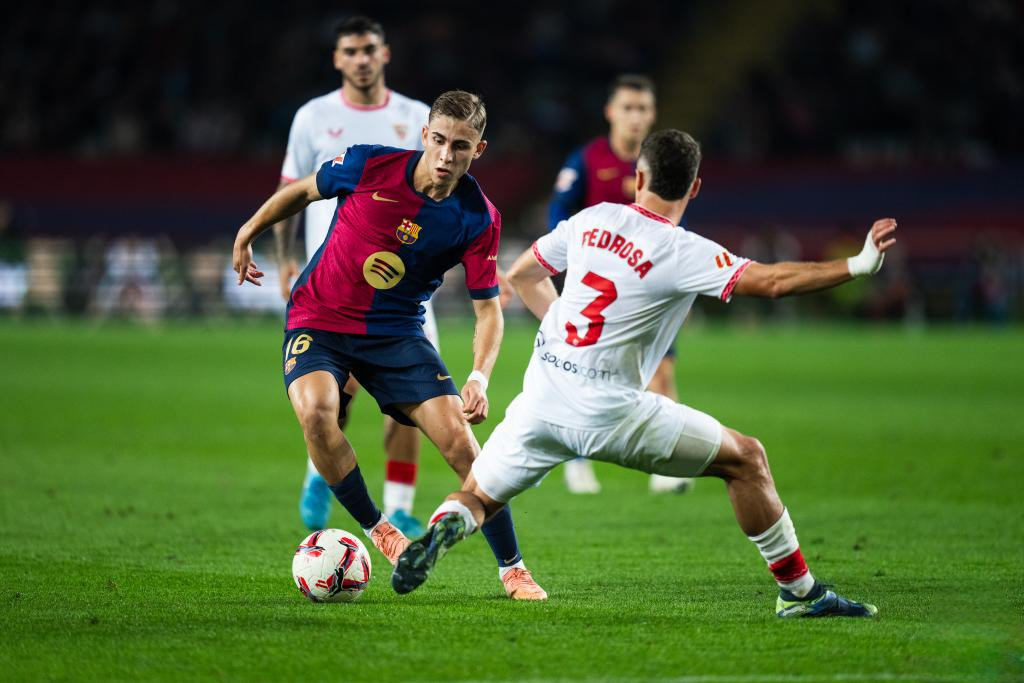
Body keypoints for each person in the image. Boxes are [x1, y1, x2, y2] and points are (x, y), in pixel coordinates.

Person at [391, 129, 894, 617]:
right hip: (612, 412)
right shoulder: (685, 251)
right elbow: (774, 282)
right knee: (747, 459)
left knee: (478, 495)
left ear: (639, 177)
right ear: (694, 188)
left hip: (541, 400)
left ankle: (442, 529)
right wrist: (858, 264)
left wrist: (564, 327)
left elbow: (522, 274)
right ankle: (800, 593)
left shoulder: (592, 219)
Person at [232, 90, 547, 601]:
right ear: (424, 135)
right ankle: (380, 529)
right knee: (317, 413)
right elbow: (302, 191)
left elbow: (488, 307)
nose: (446, 156)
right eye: (439, 141)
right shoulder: (367, 164)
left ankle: (513, 568)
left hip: (398, 335)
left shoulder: (478, 217)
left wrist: (478, 376)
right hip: (320, 320)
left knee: (467, 451)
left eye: (460, 147)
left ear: (479, 150)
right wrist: (249, 230)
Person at [273, 16, 435, 536]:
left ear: (385, 54)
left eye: (370, 49)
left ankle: (402, 503)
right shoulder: (313, 117)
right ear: (338, 59)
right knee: (335, 395)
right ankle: (320, 474)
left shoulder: (415, 117)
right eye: (351, 51)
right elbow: (290, 191)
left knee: (410, 399)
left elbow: (436, 192)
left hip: (401, 283)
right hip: (334, 281)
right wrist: (285, 260)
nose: (362, 58)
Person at [548, 74, 689, 495]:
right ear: (611, 112)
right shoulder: (586, 160)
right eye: (627, 107)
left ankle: (665, 468)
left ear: (653, 114)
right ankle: (576, 461)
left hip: (649, 291)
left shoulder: (662, 161)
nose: (635, 117)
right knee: (585, 375)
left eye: (643, 108)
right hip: (597, 293)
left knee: (661, 373)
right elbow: (558, 214)